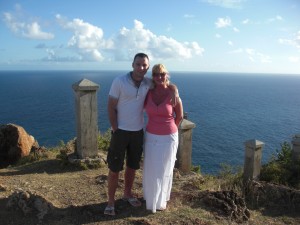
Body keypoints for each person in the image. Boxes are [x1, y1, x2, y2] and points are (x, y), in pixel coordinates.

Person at [104, 53, 178, 216]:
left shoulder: (147, 82)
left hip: (138, 132)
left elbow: (165, 82)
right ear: (132, 65)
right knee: (115, 168)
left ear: (147, 67)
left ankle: (127, 194)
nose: (141, 68)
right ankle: (110, 202)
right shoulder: (119, 81)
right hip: (121, 131)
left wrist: (174, 89)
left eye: (145, 65)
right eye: (138, 64)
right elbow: (110, 106)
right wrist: (115, 128)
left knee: (132, 166)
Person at [142, 63, 183, 213]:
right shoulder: (148, 92)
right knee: (151, 168)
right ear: (152, 77)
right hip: (151, 136)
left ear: (167, 75)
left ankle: (160, 200)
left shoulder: (173, 94)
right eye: (156, 74)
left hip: (168, 137)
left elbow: (179, 116)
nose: (159, 77)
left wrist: (169, 130)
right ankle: (150, 198)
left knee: (165, 168)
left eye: (162, 74)